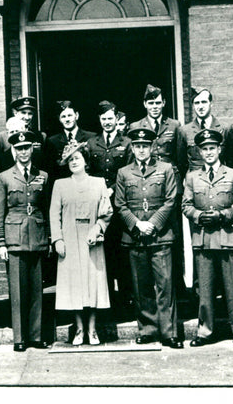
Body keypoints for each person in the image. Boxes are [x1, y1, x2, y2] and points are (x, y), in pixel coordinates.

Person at [114, 128, 183, 349]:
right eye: (137, 146)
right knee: (141, 286)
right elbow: (120, 204)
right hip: (135, 237)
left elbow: (171, 200)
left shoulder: (165, 169)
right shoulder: (123, 172)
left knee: (165, 286)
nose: (141, 149)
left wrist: (153, 223)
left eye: (145, 145)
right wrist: (137, 224)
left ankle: (169, 332)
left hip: (160, 236)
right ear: (132, 148)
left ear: (152, 147)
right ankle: (147, 329)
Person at [181, 130, 233, 347]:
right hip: (203, 237)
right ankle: (205, 331)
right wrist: (199, 216)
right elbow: (186, 205)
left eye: (212, 148)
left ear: (219, 149)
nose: (209, 153)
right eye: (205, 149)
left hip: (228, 236)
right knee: (205, 289)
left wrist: (223, 215)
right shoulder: (192, 177)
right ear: (199, 152)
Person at [0, 130, 51, 352]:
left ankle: (35, 335)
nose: (23, 152)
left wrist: (47, 238)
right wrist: (0, 242)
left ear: (32, 149)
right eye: (19, 149)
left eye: (27, 148)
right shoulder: (4, 177)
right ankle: (20, 337)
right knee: (17, 291)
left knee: (37, 290)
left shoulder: (42, 176)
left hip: (36, 237)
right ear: (14, 152)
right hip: (14, 238)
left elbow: (44, 209)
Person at [50, 141, 113, 345]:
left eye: (77, 158)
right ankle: (78, 329)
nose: (73, 162)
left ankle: (92, 330)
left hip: (92, 241)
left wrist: (98, 229)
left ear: (86, 160)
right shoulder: (60, 184)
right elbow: (54, 214)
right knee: (74, 285)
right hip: (69, 240)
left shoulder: (98, 182)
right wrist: (57, 239)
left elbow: (107, 212)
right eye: (70, 159)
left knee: (93, 283)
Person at [130, 84, 187, 297]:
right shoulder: (136, 126)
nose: (154, 107)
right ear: (145, 104)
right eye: (150, 103)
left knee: (172, 238)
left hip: (169, 187)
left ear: (163, 103)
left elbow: (180, 158)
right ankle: (149, 289)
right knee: (147, 242)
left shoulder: (174, 125)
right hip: (147, 188)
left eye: (158, 103)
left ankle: (177, 287)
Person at [87, 100, 133, 307]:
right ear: (99, 120)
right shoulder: (92, 143)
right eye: (103, 119)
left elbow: (130, 172)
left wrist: (113, 188)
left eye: (110, 118)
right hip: (99, 207)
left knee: (122, 253)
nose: (107, 122)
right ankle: (107, 303)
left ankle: (125, 301)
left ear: (116, 119)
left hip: (121, 205)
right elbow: (87, 172)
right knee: (103, 253)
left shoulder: (127, 143)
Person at [180, 87, 233, 173]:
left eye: (204, 102)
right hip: (196, 182)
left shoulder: (225, 128)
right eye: (197, 103)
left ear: (211, 104)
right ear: (193, 106)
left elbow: (231, 162)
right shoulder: (184, 131)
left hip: (220, 178)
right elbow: (181, 164)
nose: (200, 106)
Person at [0, 96, 47, 172]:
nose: (27, 117)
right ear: (15, 113)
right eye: (23, 113)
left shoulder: (40, 135)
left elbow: (44, 162)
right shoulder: (1, 137)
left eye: (30, 114)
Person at [44, 100, 96, 181]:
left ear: (77, 115)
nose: (67, 119)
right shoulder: (52, 141)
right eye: (63, 117)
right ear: (59, 119)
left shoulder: (90, 137)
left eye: (70, 115)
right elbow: (51, 170)